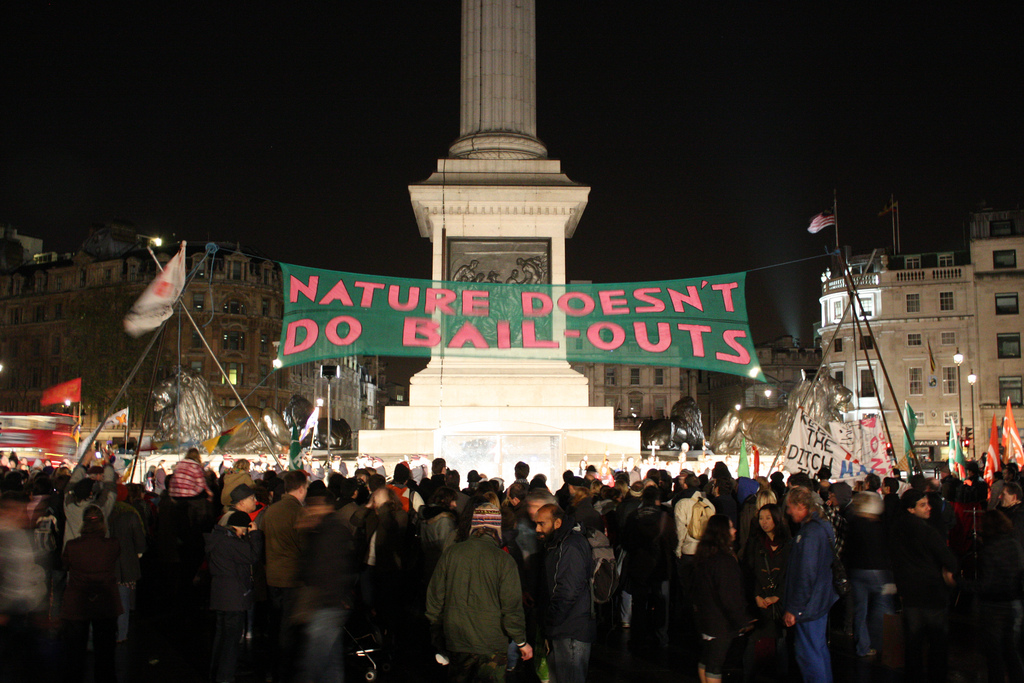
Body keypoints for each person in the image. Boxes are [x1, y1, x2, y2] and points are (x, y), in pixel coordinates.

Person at [426, 502, 533, 681]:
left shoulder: (452, 553)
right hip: (492, 643)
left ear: (474, 526)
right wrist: (521, 641)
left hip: (457, 640)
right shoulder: (504, 560)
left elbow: (435, 599)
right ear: (496, 528)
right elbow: (511, 608)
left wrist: (437, 633)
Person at [891, 489, 958, 682]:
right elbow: (949, 560)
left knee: (913, 645)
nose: (929, 508)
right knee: (937, 644)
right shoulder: (927, 531)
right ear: (911, 509)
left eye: (928, 503)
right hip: (932, 594)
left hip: (910, 594)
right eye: (923, 505)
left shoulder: (897, 530)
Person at [296, 492, 358, 683]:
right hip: (331, 603)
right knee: (330, 659)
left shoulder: (327, 533)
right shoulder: (330, 530)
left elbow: (318, 569)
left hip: (325, 603)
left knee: (316, 661)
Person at [782, 486, 838, 683]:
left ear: (801, 506)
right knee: (818, 649)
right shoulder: (822, 525)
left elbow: (806, 574)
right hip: (820, 600)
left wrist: (794, 609)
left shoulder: (810, 533)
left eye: (790, 507)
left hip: (809, 605)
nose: (788, 512)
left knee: (809, 655)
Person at [535, 504, 595, 683]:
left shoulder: (570, 546)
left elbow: (567, 592)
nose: (537, 529)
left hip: (570, 630)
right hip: (566, 628)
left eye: (541, 524)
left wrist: (551, 621)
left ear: (557, 523)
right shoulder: (559, 543)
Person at [62, 504, 121, 683]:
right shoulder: (112, 545)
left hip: (78, 602)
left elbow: (65, 565)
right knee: (105, 654)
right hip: (105, 601)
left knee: (75, 654)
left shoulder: (72, 546)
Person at [205, 510, 264, 683]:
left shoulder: (216, 539)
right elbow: (252, 556)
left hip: (219, 594)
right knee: (231, 639)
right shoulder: (230, 542)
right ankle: (225, 676)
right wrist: (255, 534)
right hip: (233, 597)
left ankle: (216, 671)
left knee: (221, 636)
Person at [693, 514, 753, 683]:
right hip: (721, 622)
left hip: (706, 619)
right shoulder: (725, 561)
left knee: (707, 659)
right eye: (731, 527)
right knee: (715, 665)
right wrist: (742, 620)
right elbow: (730, 596)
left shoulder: (704, 556)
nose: (735, 530)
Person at [262, 469, 308, 682]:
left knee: (274, 623)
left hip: (272, 575)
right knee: (288, 628)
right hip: (292, 577)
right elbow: (304, 546)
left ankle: (271, 667)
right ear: (300, 488)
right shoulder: (298, 512)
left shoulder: (271, 511)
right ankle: (285, 671)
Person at [741, 504, 791, 682]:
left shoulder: (788, 544)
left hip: (779, 601)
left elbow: (790, 573)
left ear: (777, 519)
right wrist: (756, 596)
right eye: (761, 518)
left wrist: (779, 594)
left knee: (780, 641)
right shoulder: (755, 542)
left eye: (768, 518)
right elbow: (748, 571)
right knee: (755, 641)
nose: (764, 522)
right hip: (760, 600)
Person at [844, 491, 894, 659]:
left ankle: (863, 647)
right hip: (878, 571)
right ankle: (882, 644)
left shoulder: (853, 523)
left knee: (860, 611)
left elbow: (847, 550)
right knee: (882, 607)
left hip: (857, 571)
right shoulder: (880, 525)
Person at [108, 498, 146, 643]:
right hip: (126, 563)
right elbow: (140, 542)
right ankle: (122, 634)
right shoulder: (131, 515)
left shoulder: (104, 513)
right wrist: (139, 552)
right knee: (123, 599)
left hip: (108, 563)